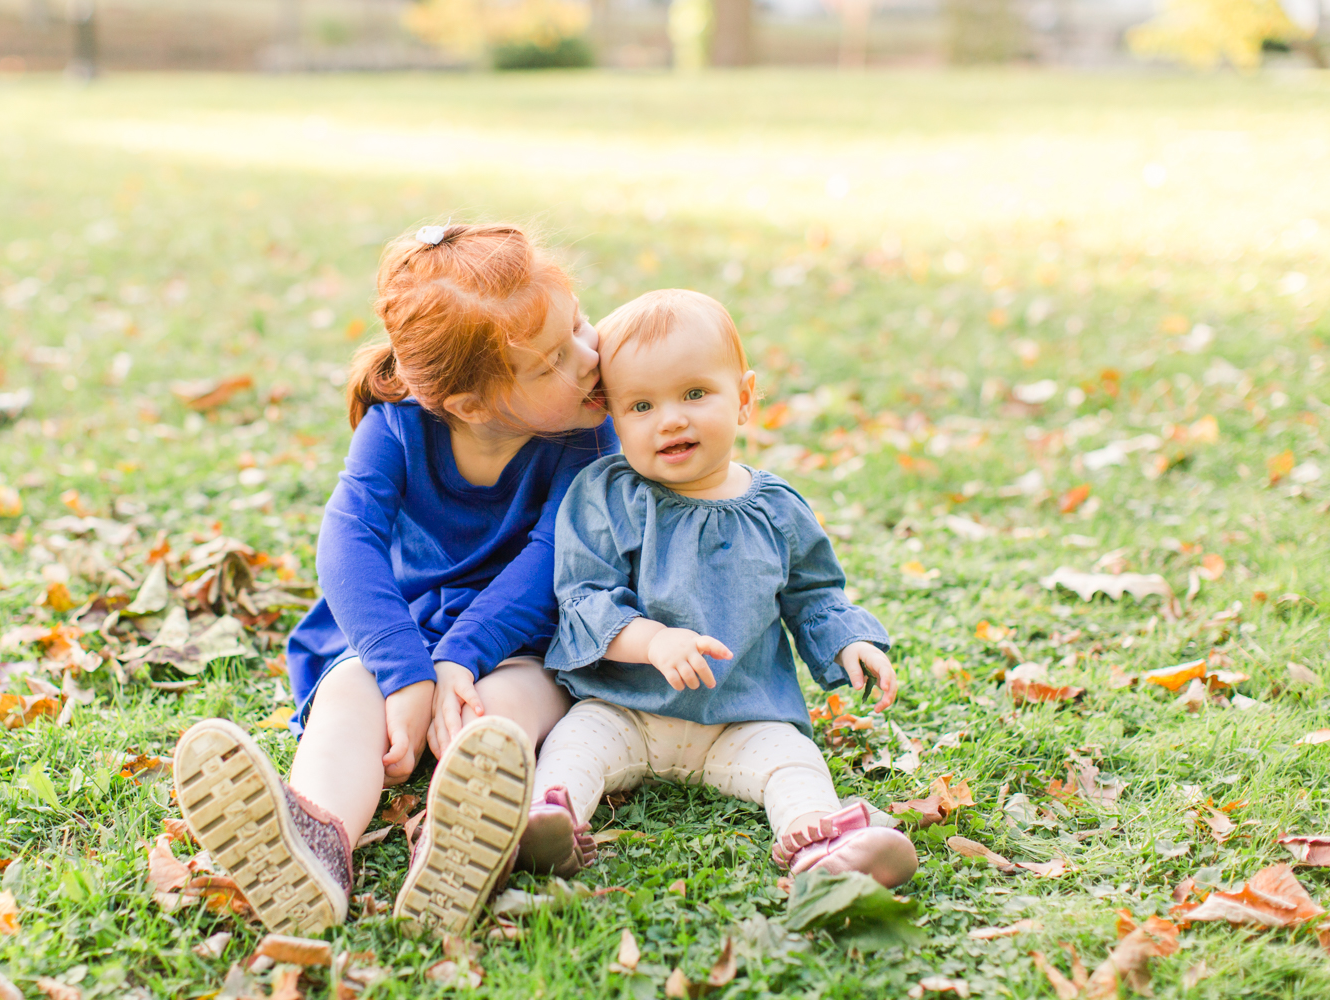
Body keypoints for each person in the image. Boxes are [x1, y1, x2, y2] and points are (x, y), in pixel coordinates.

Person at [172, 223, 616, 937]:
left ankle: (452, 837)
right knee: (351, 691)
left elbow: (551, 556)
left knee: (497, 715)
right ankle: (315, 843)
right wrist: (407, 671)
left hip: (526, 636)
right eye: (556, 359)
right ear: (472, 405)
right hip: (407, 627)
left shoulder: (591, 430)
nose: (594, 356)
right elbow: (348, 541)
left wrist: (459, 661)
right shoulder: (396, 425)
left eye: (582, 327)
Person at [514, 288, 919, 888]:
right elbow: (584, 600)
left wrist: (847, 642)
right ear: (613, 416)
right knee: (576, 745)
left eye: (695, 394)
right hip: (626, 708)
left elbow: (815, 594)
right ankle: (549, 820)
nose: (671, 418)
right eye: (642, 405)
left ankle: (821, 844)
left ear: (744, 399)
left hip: (740, 718)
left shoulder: (777, 508)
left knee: (791, 760)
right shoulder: (608, 496)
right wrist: (653, 641)